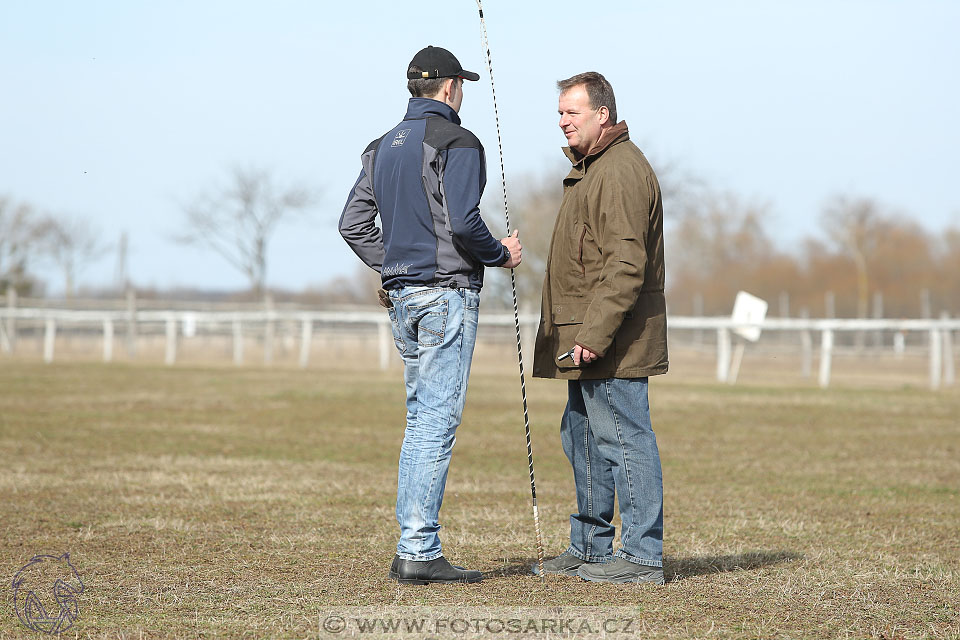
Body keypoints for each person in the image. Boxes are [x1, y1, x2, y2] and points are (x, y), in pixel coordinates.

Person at [339, 45, 522, 585]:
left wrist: (393, 265)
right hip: (445, 295)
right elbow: (465, 224)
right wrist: (502, 254)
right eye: (460, 84)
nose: (461, 91)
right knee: (434, 424)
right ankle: (418, 547)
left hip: (403, 299)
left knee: (421, 419)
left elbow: (353, 223)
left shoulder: (380, 146)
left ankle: (412, 544)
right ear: (449, 88)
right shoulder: (457, 140)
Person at [531, 72, 668, 584]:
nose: (562, 121)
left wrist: (593, 333)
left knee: (625, 440)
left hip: (612, 342)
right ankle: (589, 547)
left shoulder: (620, 171)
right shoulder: (594, 169)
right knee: (582, 436)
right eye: (560, 113)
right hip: (586, 339)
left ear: (602, 114)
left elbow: (626, 266)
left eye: (572, 113)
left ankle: (639, 557)